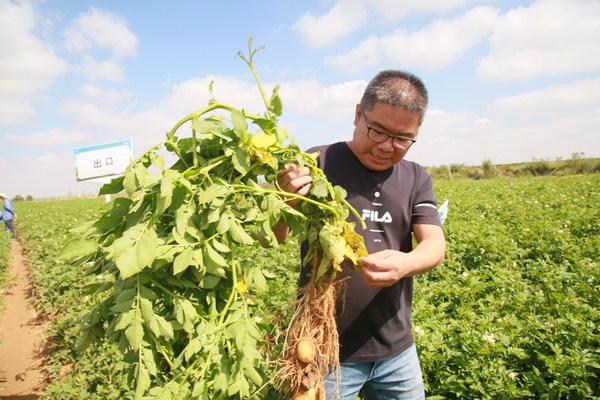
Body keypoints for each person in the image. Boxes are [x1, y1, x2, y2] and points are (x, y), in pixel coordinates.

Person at [275, 70, 446, 399]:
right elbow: (272, 237)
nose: (386, 147)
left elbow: (434, 243)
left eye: (402, 139)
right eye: (377, 131)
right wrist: (284, 201)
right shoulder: (316, 162)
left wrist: (407, 264)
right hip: (323, 349)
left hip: (396, 350)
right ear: (357, 114)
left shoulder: (416, 177)